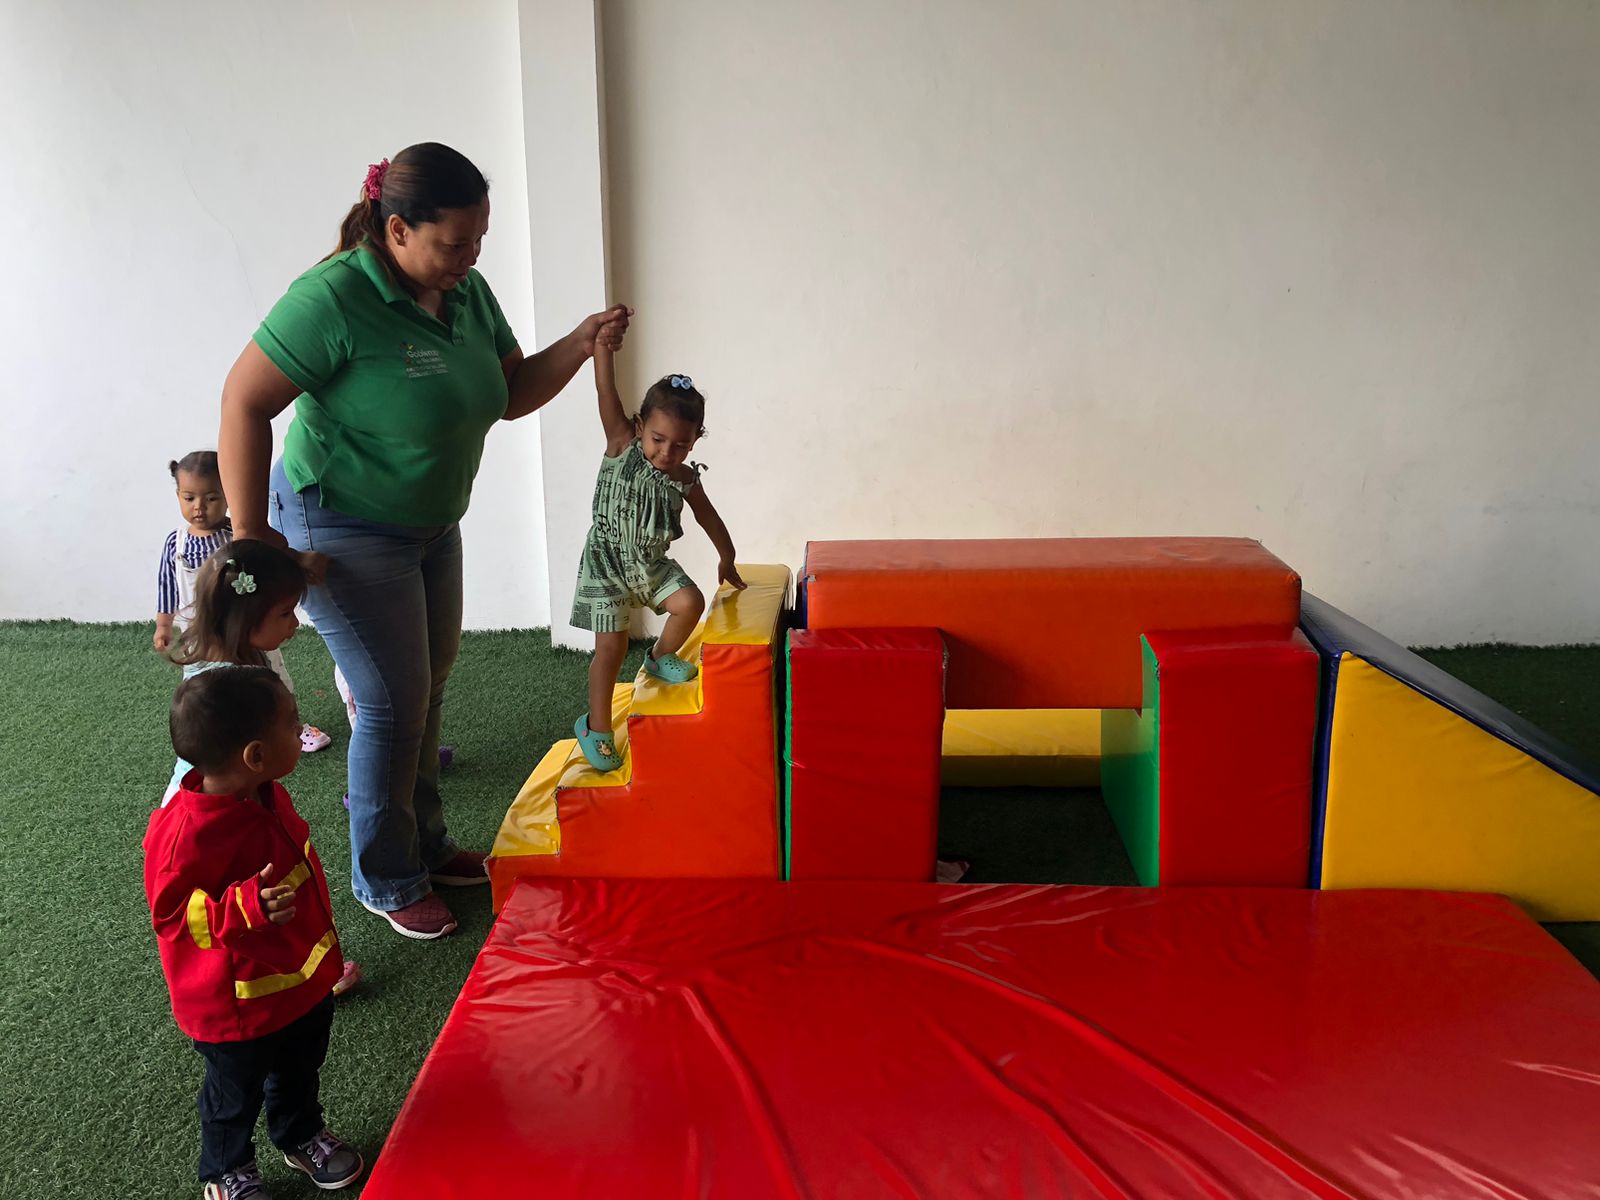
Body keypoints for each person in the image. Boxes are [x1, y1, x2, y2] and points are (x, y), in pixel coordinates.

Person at [218, 142, 630, 939]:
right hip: (341, 520)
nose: (470, 257)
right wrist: (249, 535)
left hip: (432, 522)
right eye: (453, 243)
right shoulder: (334, 297)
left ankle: (426, 844)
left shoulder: (464, 290)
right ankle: (386, 876)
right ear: (398, 228)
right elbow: (243, 400)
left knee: (428, 684)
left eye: (479, 240)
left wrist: (581, 343)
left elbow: (508, 391)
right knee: (389, 700)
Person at [144, 666, 363, 1199]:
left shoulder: (264, 792)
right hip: (236, 1006)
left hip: (297, 977)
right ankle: (227, 1170)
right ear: (255, 755)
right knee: (233, 1094)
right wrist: (244, 907)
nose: (301, 730)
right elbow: (173, 916)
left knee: (299, 1066)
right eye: (292, 723)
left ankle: (300, 1134)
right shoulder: (183, 833)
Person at [570, 341, 744, 771]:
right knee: (611, 647)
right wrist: (601, 347)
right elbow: (605, 389)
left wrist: (727, 556)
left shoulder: (685, 479)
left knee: (690, 602)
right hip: (606, 563)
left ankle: (659, 656)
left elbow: (708, 517)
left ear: (695, 441)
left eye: (681, 445)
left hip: (649, 563)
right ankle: (596, 727)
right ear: (639, 426)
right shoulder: (620, 445)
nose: (667, 452)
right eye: (658, 439)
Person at [155, 450, 332, 753]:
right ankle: (218, 734)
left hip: (247, 622)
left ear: (228, 495)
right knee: (205, 689)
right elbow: (167, 584)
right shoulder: (177, 542)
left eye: (211, 497)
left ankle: (290, 725)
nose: (199, 507)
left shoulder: (239, 534)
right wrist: (163, 625)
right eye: (189, 498)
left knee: (272, 675)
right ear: (178, 495)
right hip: (199, 632)